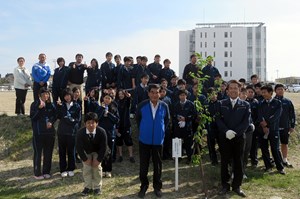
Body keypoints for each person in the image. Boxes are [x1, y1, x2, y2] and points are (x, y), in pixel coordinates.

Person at [216, 80, 250, 197]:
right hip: (225, 137)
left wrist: (235, 132)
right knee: (224, 161)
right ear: (227, 90)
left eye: (236, 88)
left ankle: (237, 186)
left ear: (239, 90)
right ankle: (225, 185)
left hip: (239, 137)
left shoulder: (245, 105)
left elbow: (246, 122)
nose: (233, 90)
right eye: (231, 88)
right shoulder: (221, 103)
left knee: (238, 162)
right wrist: (226, 131)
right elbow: (218, 120)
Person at [136, 84, 170, 198]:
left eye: (157, 92)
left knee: (158, 165)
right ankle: (143, 186)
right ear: (148, 93)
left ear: (160, 93)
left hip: (158, 141)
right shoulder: (142, 105)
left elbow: (166, 121)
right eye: (152, 92)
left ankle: (157, 187)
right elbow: (138, 120)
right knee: (144, 165)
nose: (155, 94)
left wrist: (160, 132)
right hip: (144, 140)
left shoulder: (164, 106)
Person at [76, 112, 108, 196]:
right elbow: (78, 148)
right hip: (86, 151)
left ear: (97, 123)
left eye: (93, 122)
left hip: (98, 151)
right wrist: (85, 159)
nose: (91, 125)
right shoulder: (80, 133)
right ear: (85, 123)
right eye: (88, 123)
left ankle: (97, 187)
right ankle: (88, 187)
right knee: (87, 168)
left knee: (97, 168)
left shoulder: (102, 132)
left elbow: (104, 147)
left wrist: (98, 159)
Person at [30, 88, 56, 179]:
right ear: (39, 95)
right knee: (38, 153)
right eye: (44, 94)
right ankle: (37, 173)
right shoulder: (34, 104)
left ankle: (46, 171)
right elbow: (33, 117)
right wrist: (39, 109)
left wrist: (51, 122)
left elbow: (54, 115)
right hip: (38, 133)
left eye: (47, 94)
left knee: (48, 153)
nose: (46, 96)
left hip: (49, 133)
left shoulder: (51, 105)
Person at [258, 84, 285, 175]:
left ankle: (280, 167)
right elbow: (260, 115)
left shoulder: (278, 103)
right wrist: (264, 126)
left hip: (274, 130)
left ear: (270, 93)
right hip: (263, 130)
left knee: (275, 149)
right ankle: (268, 166)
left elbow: (276, 116)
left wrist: (267, 123)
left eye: (264, 92)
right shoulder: (261, 103)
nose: (263, 94)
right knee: (264, 148)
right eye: (262, 92)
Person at [56, 88, 81, 178]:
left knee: (71, 151)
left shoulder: (77, 106)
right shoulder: (61, 105)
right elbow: (58, 116)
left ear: (71, 95)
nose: (67, 97)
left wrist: (70, 120)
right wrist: (58, 107)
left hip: (72, 132)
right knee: (62, 151)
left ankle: (71, 168)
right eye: (65, 96)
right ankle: (63, 169)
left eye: (68, 95)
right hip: (62, 132)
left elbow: (78, 120)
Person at [96, 93, 119, 178]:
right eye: (105, 98)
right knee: (101, 152)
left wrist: (108, 113)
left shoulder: (114, 108)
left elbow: (116, 120)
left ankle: (108, 170)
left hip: (110, 134)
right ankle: (102, 169)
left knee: (110, 153)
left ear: (111, 100)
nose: (106, 100)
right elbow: (96, 118)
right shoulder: (99, 108)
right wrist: (102, 111)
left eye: (108, 98)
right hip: (101, 133)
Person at [173, 89, 197, 164]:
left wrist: (186, 119)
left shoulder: (191, 104)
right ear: (179, 96)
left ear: (186, 96)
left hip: (188, 127)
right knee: (178, 141)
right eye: (181, 95)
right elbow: (173, 114)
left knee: (188, 143)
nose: (182, 97)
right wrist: (178, 117)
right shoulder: (176, 104)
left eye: (183, 95)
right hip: (178, 126)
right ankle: (178, 157)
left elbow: (194, 115)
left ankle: (189, 157)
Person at [274, 84, 295, 167]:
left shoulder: (288, 102)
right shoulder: (272, 101)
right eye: (278, 89)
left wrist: (292, 126)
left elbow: (292, 115)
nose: (280, 90)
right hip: (274, 127)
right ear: (275, 91)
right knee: (275, 145)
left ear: (284, 90)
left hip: (285, 126)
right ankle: (276, 160)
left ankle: (285, 159)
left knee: (284, 143)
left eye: (281, 89)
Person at [115, 89, 135, 163]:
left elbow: (129, 102)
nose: (120, 95)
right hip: (118, 124)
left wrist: (129, 97)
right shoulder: (116, 103)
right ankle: (120, 156)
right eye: (119, 94)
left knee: (128, 141)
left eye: (122, 94)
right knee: (119, 141)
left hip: (126, 124)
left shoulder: (127, 102)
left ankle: (131, 156)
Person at [245, 86, 260, 168]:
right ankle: (245, 160)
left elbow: (259, 115)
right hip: (244, 128)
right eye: (249, 92)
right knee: (245, 145)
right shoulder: (243, 101)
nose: (250, 93)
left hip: (254, 127)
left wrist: (255, 124)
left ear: (254, 93)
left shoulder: (256, 102)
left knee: (254, 145)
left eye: (252, 92)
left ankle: (254, 161)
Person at [206, 87, 219, 165]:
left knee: (222, 144)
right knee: (211, 145)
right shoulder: (206, 105)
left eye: (214, 94)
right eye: (211, 94)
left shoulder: (220, 103)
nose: (213, 96)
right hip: (210, 127)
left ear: (216, 95)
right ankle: (213, 160)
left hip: (219, 128)